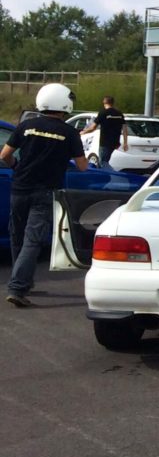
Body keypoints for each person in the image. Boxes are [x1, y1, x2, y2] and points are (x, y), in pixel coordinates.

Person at [3, 82, 87, 306]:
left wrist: (16, 167)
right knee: (32, 241)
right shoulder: (68, 132)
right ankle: (18, 288)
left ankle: (23, 282)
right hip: (45, 192)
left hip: (19, 188)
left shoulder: (25, 126)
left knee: (17, 236)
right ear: (64, 103)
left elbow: (5, 155)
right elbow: (82, 167)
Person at [83, 95, 128, 168]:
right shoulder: (119, 114)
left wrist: (83, 132)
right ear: (113, 103)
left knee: (102, 162)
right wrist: (125, 143)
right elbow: (125, 129)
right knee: (105, 161)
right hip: (115, 142)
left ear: (104, 102)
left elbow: (93, 127)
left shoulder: (103, 112)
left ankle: (113, 175)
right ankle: (105, 178)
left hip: (105, 142)